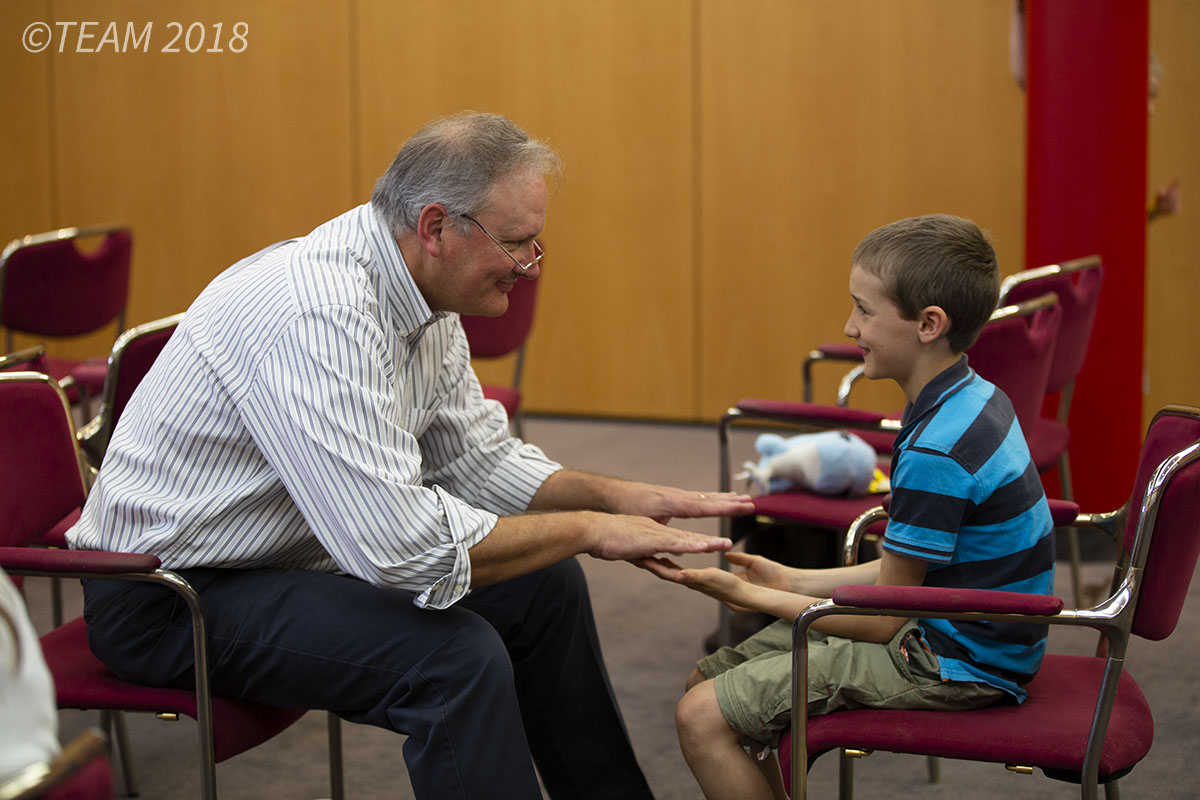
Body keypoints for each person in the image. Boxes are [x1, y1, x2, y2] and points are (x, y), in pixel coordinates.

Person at [68, 111, 752, 799]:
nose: (528, 266)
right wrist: (588, 528)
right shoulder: (320, 312)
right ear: (435, 228)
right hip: (168, 594)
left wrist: (611, 498)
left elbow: (476, 460)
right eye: (517, 244)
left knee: (545, 587)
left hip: (286, 559)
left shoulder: (423, 290)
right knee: (456, 660)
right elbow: (399, 548)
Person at [644, 214, 1055, 800]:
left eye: (864, 310)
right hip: (945, 627)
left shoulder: (941, 446)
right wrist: (794, 577)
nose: (849, 325)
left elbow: (883, 615)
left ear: (928, 324)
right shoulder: (969, 396)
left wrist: (752, 596)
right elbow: (903, 572)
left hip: (953, 661)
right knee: (706, 680)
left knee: (700, 718)